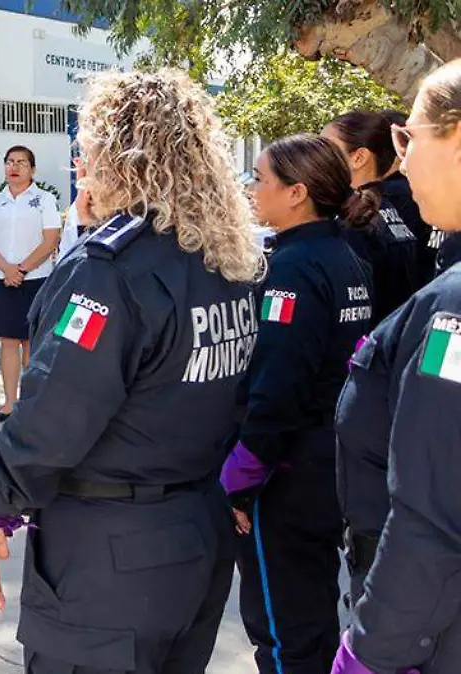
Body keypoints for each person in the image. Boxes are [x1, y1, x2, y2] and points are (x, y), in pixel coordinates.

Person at [0, 69, 262, 674]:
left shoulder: (110, 270)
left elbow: (56, 412)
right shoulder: (223, 259)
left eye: (88, 145)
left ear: (124, 155)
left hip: (111, 562)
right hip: (195, 534)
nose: (79, 159)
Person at [220, 134, 375, 674]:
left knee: (284, 628)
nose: (251, 188)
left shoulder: (292, 268)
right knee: (310, 615)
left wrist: (242, 477)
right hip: (331, 461)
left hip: (288, 473)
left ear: (298, 193)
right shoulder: (343, 254)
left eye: (261, 178)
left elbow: (279, 382)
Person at [333, 60, 461, 674]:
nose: (402, 160)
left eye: (409, 138)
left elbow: (430, 516)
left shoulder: (452, 310)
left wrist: (368, 650)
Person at [0, 146, 63, 422]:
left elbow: (50, 239)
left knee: (32, 342)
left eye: (22, 163)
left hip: (36, 279)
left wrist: (22, 269)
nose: (15, 167)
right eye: (10, 162)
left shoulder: (44, 199)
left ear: (32, 170)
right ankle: (9, 403)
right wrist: (7, 269)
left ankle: (31, 403)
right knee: (8, 340)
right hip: (3, 278)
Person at [323, 111, 421, 322]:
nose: (316, 157)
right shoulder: (387, 210)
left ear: (358, 158)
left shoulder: (357, 220)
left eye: (327, 149)